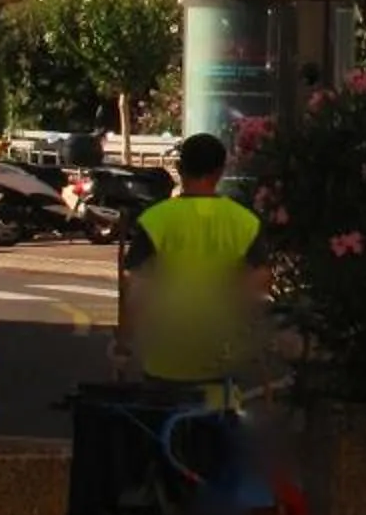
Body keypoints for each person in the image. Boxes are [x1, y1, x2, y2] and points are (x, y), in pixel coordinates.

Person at [110, 133, 269, 387]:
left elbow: (133, 287)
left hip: (165, 359)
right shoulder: (244, 221)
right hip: (222, 358)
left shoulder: (156, 220)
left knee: (164, 422)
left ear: (179, 169)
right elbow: (259, 284)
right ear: (220, 171)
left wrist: (123, 346)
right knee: (218, 419)